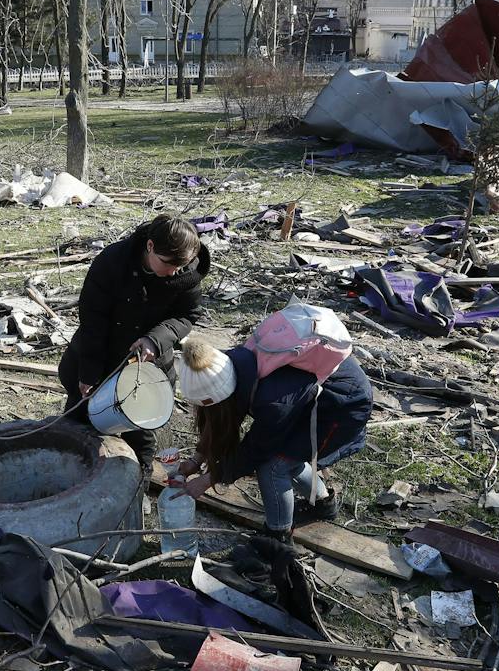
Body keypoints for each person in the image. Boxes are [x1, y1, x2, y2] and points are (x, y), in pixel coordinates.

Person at [170, 335, 373, 542]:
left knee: (274, 466)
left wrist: (208, 479)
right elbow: (220, 419)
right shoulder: (230, 365)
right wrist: (197, 458)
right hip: (309, 400)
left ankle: (278, 538)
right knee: (289, 456)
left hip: (343, 405)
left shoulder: (272, 401)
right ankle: (323, 505)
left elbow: (255, 451)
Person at [58, 213, 210, 474]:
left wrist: (156, 339)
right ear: (150, 246)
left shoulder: (186, 273)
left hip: (147, 368)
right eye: (168, 263)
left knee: (139, 433)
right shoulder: (112, 263)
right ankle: (70, 477)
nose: (174, 272)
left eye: (180, 266)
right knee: (78, 421)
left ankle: (137, 485)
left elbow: (187, 315)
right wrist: (89, 372)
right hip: (100, 354)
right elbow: (93, 319)